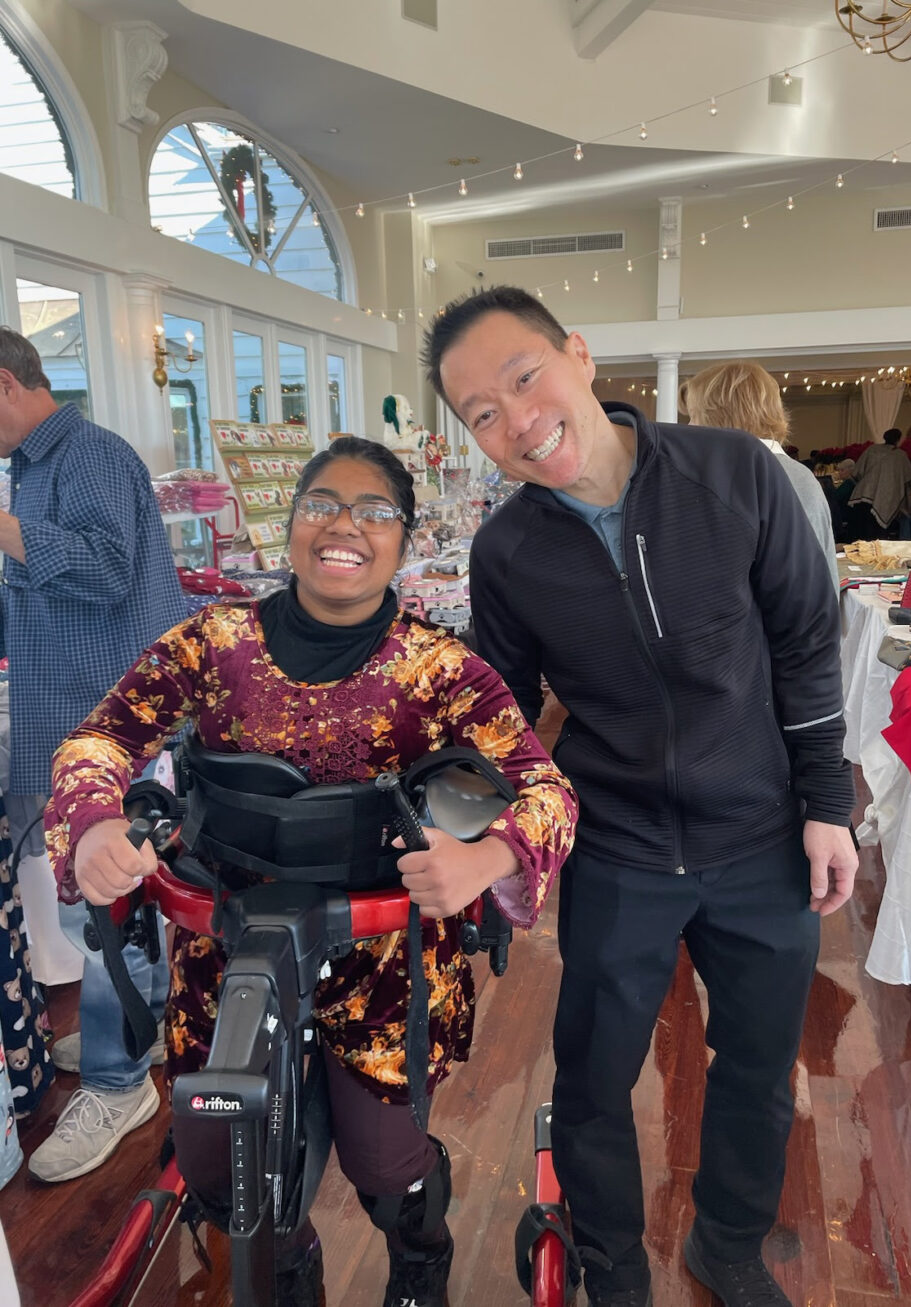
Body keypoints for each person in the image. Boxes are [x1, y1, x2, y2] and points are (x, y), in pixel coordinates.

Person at [45, 436, 578, 1307]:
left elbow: (547, 789)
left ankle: (419, 1261)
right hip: (229, 943)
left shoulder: (442, 669)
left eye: (375, 511)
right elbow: (102, 736)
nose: (344, 526)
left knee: (387, 1162)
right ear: (289, 523)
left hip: (387, 957)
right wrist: (96, 819)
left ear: (404, 539)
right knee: (219, 1161)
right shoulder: (212, 641)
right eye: (322, 504)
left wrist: (486, 857)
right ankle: (291, 1273)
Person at [424, 286, 858, 1307]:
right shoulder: (507, 550)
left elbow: (805, 643)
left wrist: (826, 803)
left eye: (524, 377)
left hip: (759, 833)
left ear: (578, 356)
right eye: (482, 413)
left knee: (756, 1063)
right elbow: (501, 713)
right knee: (591, 1074)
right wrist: (456, 825)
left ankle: (729, 1244)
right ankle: (611, 1260)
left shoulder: (733, 474)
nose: (517, 419)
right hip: (617, 843)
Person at [0, 326, 186, 1183]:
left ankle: (119, 1081)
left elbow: (107, 571)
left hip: (112, 726)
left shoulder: (92, 456)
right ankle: (139, 1029)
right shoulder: (34, 467)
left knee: (110, 906)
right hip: (74, 718)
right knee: (108, 904)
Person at [680, 361, 838, 584]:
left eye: (694, 416)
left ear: (721, 416)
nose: (689, 427)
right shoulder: (785, 473)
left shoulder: (767, 476)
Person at [847, 427, 911, 536]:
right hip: (884, 498)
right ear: (898, 440)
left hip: (862, 496)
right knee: (876, 536)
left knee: (861, 534)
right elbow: (910, 477)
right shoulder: (900, 455)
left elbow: (857, 472)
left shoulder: (872, 449)